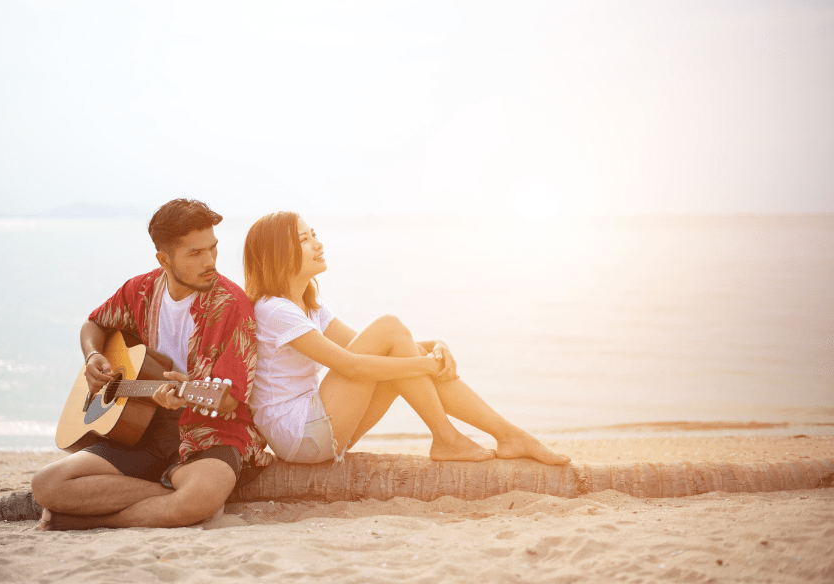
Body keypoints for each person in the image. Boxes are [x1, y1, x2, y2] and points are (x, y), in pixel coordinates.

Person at [243, 211, 570, 466]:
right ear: (279, 253)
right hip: (299, 436)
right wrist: (426, 364)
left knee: (395, 339)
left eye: (314, 234)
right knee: (389, 326)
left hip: (319, 432)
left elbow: (374, 349)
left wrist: (434, 347)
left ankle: (506, 435)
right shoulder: (274, 310)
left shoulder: (309, 305)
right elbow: (354, 367)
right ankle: (450, 438)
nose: (318, 243)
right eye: (304, 239)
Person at [32, 199, 272, 530]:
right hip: (142, 430)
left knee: (201, 494)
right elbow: (95, 324)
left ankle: (90, 518)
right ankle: (168, 497)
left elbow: (229, 398)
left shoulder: (232, 305)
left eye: (212, 249)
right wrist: (92, 356)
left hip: (210, 431)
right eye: (195, 253)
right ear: (164, 259)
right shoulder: (140, 291)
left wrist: (188, 392)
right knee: (47, 484)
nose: (210, 261)